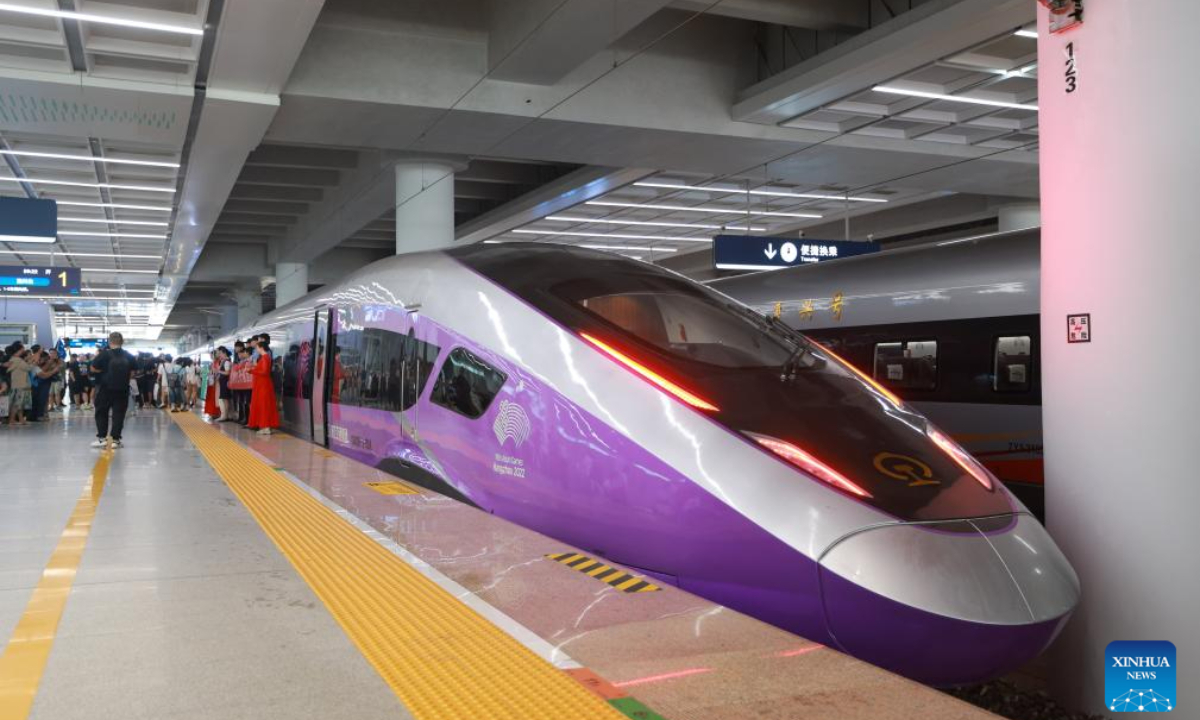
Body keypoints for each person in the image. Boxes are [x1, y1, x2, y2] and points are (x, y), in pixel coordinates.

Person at [91, 332, 136, 448]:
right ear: (122, 341)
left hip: (105, 388)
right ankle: (115, 440)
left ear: (109, 341)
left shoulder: (104, 354)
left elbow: (93, 368)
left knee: (101, 412)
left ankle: (102, 439)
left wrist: (102, 372)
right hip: (122, 389)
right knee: (119, 414)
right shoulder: (129, 355)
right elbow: (132, 373)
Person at [248, 335, 279, 435]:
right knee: (264, 404)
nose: (256, 350)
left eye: (257, 347)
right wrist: (253, 368)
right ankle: (265, 426)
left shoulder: (265, 358)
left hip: (263, 385)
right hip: (262, 384)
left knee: (263, 405)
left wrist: (251, 371)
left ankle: (265, 427)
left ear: (261, 347)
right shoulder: (264, 357)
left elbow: (264, 372)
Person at [3, 345, 34, 426]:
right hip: (20, 384)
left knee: (19, 403)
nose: (24, 351)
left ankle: (20, 419)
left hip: (16, 384)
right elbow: (28, 368)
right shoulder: (17, 360)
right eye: (22, 349)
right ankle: (12, 420)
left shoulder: (14, 359)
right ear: (19, 350)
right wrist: (33, 362)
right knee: (17, 404)